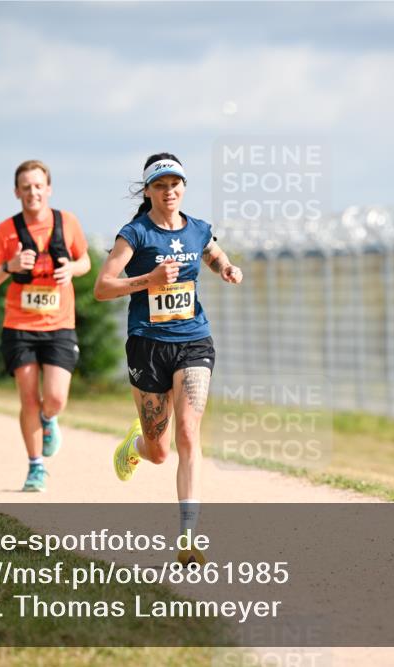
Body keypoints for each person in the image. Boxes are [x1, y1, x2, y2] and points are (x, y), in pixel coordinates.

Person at [94, 153, 243, 565]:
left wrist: (226, 267)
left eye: (175, 183)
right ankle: (135, 445)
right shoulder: (135, 234)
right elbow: (103, 287)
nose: (169, 191)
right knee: (160, 450)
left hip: (194, 340)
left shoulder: (197, 228)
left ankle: (188, 538)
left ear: (183, 187)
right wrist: (149, 280)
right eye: (160, 185)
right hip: (148, 343)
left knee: (189, 435)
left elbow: (211, 252)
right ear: (148, 191)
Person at [0, 160, 91, 492]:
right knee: (28, 399)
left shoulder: (67, 222)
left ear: (49, 188)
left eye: (38, 186)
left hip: (59, 324)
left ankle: (49, 419)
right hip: (19, 326)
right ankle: (35, 466)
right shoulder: (6, 231)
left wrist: (72, 269)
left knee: (54, 399)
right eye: (26, 187)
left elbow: (84, 260)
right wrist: (9, 267)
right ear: (17, 192)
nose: (33, 192)